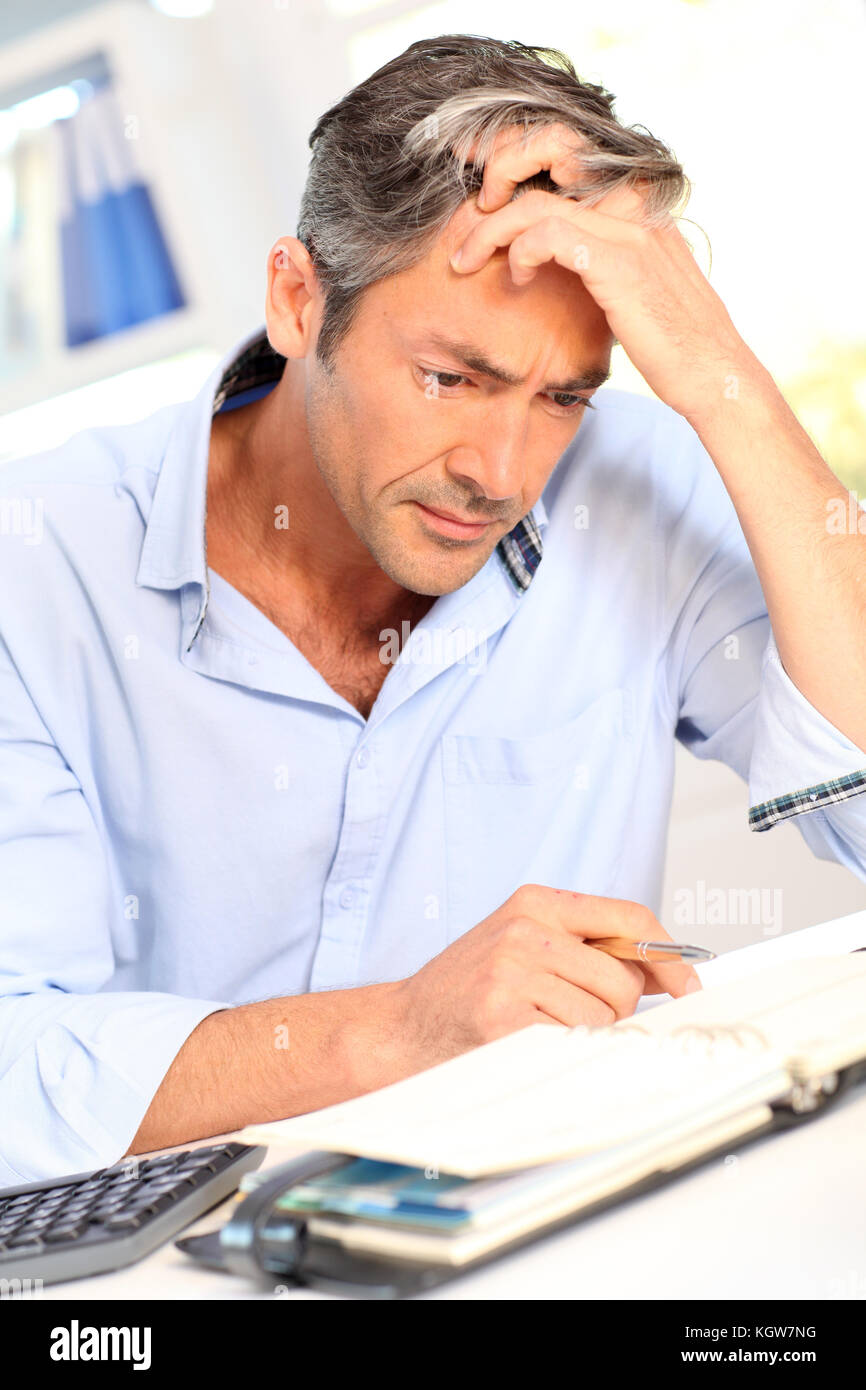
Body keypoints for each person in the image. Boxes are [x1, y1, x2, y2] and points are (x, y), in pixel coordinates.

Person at [1, 35, 864, 1185]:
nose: (500, 471)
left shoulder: (635, 488)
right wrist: (402, 1027)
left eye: (561, 395)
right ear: (299, 301)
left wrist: (718, 375)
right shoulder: (39, 567)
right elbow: (15, 1057)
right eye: (450, 378)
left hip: (547, 1233)